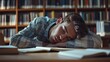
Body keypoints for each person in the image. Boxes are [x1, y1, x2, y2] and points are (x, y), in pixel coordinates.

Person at [9, 13, 103, 48]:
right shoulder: (40, 23)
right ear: (59, 21)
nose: (62, 38)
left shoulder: (74, 33)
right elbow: (14, 40)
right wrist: (46, 46)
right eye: (63, 30)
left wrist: (61, 45)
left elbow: (97, 41)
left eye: (68, 38)